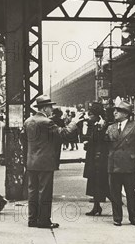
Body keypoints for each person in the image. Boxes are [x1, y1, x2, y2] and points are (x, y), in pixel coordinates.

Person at [21, 95, 80, 229]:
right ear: (45, 108)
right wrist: (74, 122)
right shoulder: (47, 122)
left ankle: (32, 219)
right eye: (50, 107)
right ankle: (44, 221)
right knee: (45, 192)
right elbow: (64, 133)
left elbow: (23, 140)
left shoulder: (28, 121)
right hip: (45, 162)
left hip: (31, 162)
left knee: (33, 191)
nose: (52, 110)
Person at [106, 100, 135, 226]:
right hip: (114, 164)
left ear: (126, 114)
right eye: (115, 110)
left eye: (119, 111)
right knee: (115, 193)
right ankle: (117, 218)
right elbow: (106, 144)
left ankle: (133, 217)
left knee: (130, 193)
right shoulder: (110, 127)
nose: (115, 112)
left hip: (129, 165)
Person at [83, 102, 110, 216]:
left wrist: (89, 143)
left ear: (97, 115)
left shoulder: (103, 125)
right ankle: (96, 206)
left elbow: (102, 142)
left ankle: (115, 202)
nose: (89, 116)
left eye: (91, 114)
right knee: (95, 182)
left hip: (99, 158)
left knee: (101, 183)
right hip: (94, 157)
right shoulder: (95, 124)